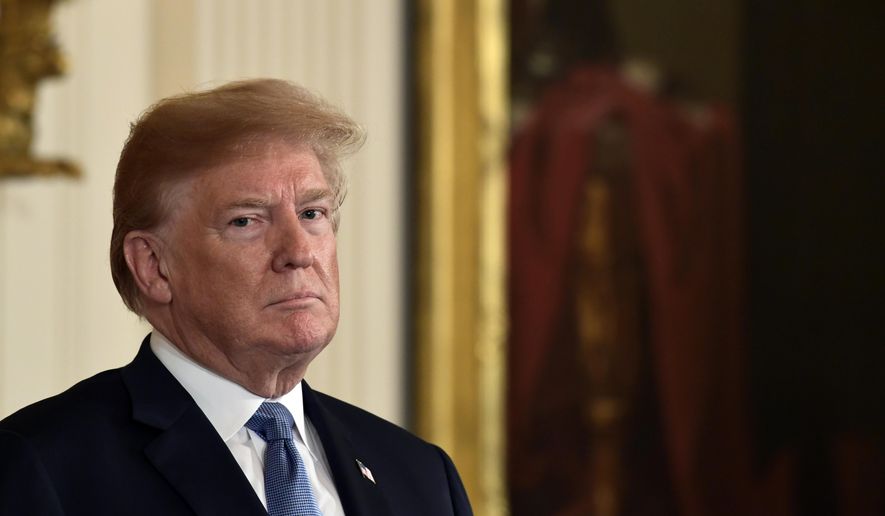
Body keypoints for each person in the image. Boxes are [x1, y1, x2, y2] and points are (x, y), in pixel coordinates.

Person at [0, 79, 472, 516]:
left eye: (312, 212)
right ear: (153, 266)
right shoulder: (41, 465)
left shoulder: (421, 475)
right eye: (246, 221)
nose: (299, 252)